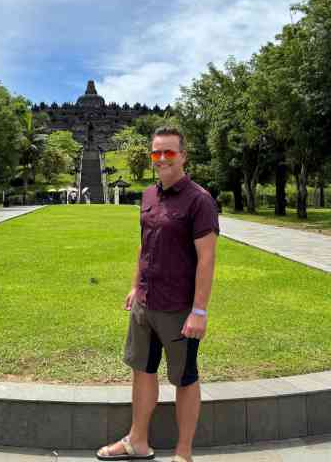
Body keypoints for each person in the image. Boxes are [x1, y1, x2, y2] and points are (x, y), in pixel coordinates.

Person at [97, 127, 218, 462]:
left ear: (183, 156)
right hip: (146, 303)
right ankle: (138, 441)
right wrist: (135, 286)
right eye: (156, 153)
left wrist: (200, 311)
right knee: (142, 370)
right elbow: (144, 246)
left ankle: (184, 452)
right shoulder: (149, 195)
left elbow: (207, 259)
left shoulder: (199, 200)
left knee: (185, 377)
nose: (162, 158)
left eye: (169, 152)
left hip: (179, 308)